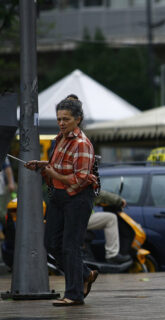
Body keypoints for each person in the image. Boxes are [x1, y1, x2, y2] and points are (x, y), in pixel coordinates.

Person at [25, 94, 99, 307]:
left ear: (78, 119)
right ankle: (84, 274)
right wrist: (42, 165)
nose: (61, 123)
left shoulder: (82, 143)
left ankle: (74, 295)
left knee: (70, 246)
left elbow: (81, 179)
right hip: (58, 197)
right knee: (51, 244)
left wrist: (54, 175)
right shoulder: (59, 139)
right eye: (59, 119)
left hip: (77, 197)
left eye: (66, 119)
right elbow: (56, 166)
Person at [88, 190, 131, 264]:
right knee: (111, 218)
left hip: (72, 217)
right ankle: (112, 255)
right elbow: (99, 194)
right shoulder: (84, 180)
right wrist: (119, 200)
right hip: (80, 218)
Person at [0, 158, 16, 239]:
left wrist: (11, 182)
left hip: (1, 188)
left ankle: (5, 231)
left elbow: (7, 167)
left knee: (2, 213)